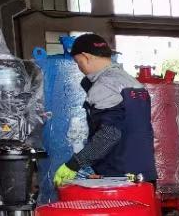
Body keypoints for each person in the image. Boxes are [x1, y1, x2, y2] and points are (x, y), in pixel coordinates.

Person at [53, 34, 157, 187]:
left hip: (119, 178)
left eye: (78, 62)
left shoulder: (104, 85)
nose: (80, 68)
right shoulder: (132, 82)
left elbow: (109, 135)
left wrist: (74, 164)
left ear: (86, 57)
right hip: (143, 175)